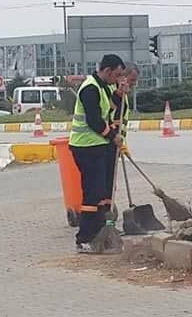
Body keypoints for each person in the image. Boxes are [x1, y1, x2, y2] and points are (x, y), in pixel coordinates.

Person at [69, 54, 125, 254]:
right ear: (108, 71)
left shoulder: (105, 86)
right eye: (117, 75)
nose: (117, 79)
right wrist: (112, 136)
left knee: (103, 193)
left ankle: (102, 234)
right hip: (85, 147)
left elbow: (109, 109)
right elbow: (94, 120)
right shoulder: (90, 88)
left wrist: (119, 93)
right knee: (92, 195)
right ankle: (84, 238)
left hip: (98, 146)